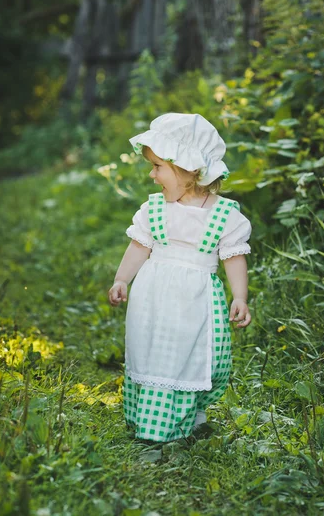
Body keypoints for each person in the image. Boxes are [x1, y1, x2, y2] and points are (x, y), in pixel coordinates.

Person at [108, 112, 252, 443]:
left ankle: (190, 416)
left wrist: (240, 297)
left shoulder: (224, 215)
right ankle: (153, 430)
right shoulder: (154, 209)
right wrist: (121, 279)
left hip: (197, 302)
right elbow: (138, 248)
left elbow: (234, 258)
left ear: (188, 169)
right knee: (156, 354)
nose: (151, 174)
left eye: (158, 166)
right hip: (153, 300)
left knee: (193, 356)